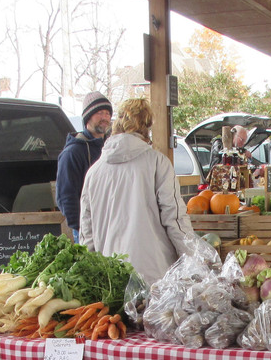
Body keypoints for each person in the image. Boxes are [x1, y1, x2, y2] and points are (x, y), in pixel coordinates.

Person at [79, 98, 198, 286]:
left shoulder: (94, 172)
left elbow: (87, 234)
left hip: (111, 279)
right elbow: (175, 219)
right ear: (146, 128)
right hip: (154, 278)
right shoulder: (157, 163)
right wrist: (195, 263)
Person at [56, 91, 112, 239]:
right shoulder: (73, 152)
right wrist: (81, 228)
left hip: (111, 228)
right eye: (99, 113)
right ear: (87, 117)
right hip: (88, 232)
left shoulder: (111, 148)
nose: (105, 118)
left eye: (107, 113)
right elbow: (66, 196)